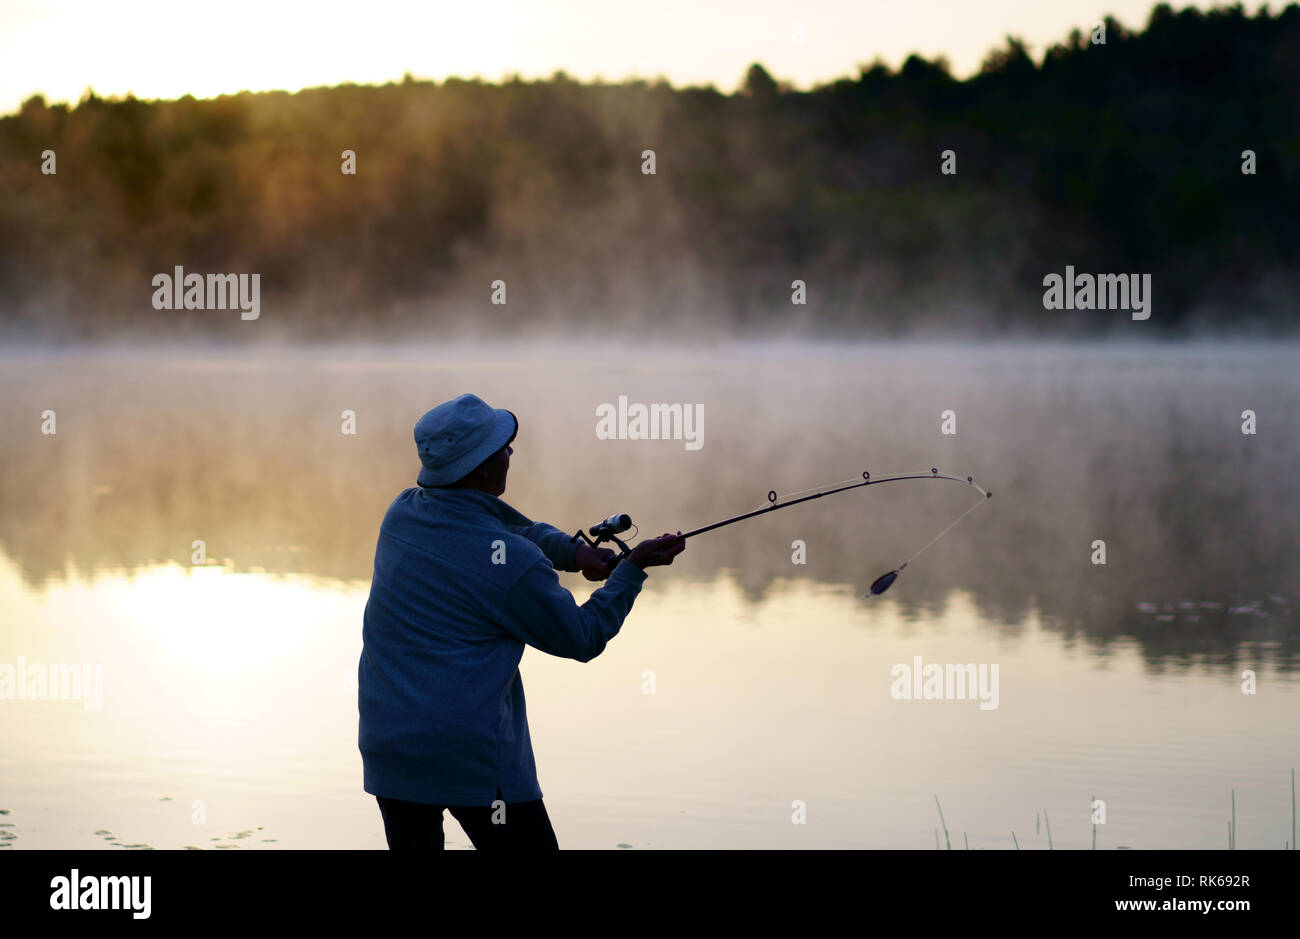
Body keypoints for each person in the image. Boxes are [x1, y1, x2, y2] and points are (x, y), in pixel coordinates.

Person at [358, 393, 684, 850]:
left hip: (391, 751)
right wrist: (632, 571)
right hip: (473, 759)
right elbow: (582, 637)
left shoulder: (403, 514)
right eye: (502, 448)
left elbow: (502, 530)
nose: (511, 453)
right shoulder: (514, 566)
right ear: (483, 470)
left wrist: (574, 552)